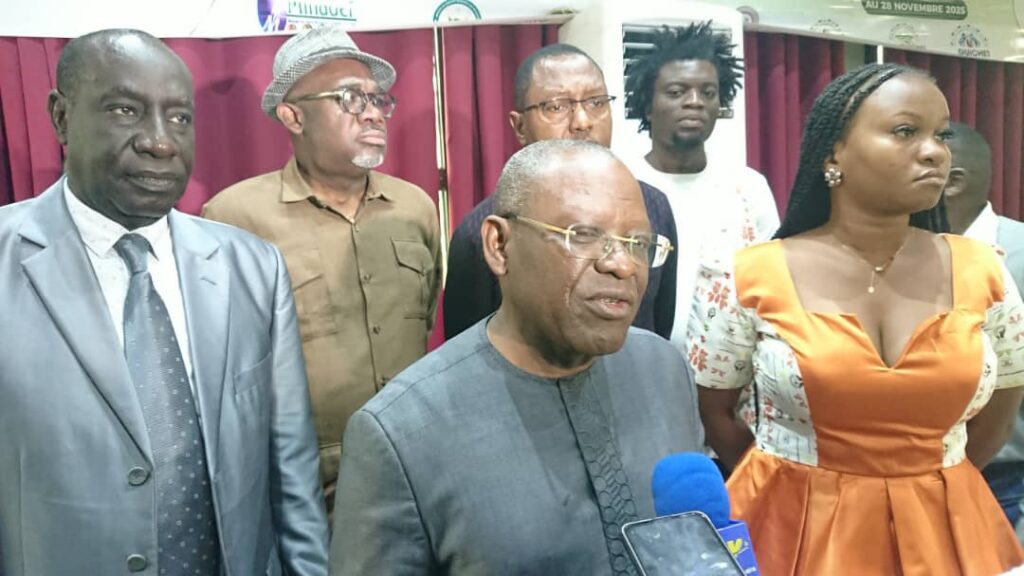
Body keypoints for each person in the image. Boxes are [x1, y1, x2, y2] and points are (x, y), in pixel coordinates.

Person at [0, 29, 328, 575]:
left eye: (179, 117)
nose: (160, 142)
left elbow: (291, 471)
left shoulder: (253, 268)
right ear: (61, 117)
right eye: (125, 110)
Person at [688, 63, 1024, 574]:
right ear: (834, 153)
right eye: (905, 131)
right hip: (789, 527)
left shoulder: (987, 270)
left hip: (947, 526)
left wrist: (922, 486)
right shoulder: (745, 275)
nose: (935, 152)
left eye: (940, 135)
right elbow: (716, 413)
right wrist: (793, 477)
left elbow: (1002, 406)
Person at [330, 140, 703, 575]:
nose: (623, 265)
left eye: (637, 243)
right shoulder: (400, 432)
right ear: (500, 245)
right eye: (583, 235)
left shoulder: (665, 370)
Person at [202, 26, 441, 511]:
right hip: (302, 485)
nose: (372, 112)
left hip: (419, 463)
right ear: (293, 116)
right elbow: (221, 361)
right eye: (349, 98)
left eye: (377, 99)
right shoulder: (234, 218)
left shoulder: (414, 206)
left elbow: (430, 310)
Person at [442, 43, 677, 341]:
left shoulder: (652, 207)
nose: (582, 122)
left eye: (597, 102)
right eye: (556, 107)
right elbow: (467, 348)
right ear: (520, 127)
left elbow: (659, 325)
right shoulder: (482, 232)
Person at [624, 22, 778, 350]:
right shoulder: (621, 186)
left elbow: (772, 287)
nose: (694, 102)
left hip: (733, 369)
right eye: (676, 92)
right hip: (637, 362)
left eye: (707, 93)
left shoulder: (749, 188)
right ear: (648, 106)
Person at [944, 122, 1024, 531]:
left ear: (951, 181)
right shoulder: (897, 255)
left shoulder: (1019, 253)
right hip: (907, 475)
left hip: (1003, 479)